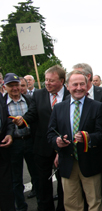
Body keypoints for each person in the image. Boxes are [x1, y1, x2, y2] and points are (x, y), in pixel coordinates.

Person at [13, 65, 69, 211]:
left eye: (51, 80)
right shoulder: (38, 95)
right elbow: (32, 114)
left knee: (65, 182)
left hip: (65, 145)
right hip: (42, 146)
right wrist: (22, 121)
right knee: (43, 183)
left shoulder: (71, 94)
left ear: (62, 81)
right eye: (46, 80)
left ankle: (63, 208)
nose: (47, 83)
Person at [47, 70, 102, 211]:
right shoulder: (59, 108)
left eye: (82, 84)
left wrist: (89, 137)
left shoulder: (97, 106)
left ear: (87, 86)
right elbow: (50, 133)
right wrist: (57, 141)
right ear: (67, 86)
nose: (78, 88)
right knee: (72, 204)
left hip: (90, 162)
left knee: (95, 203)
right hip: (67, 162)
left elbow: (101, 134)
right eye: (75, 84)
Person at [72, 63, 102, 211]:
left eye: (79, 76)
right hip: (81, 153)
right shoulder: (71, 96)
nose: (77, 85)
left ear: (88, 76)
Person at [3, 73, 39, 211]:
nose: (14, 88)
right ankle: (21, 207)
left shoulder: (30, 100)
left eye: (16, 85)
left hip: (30, 141)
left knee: (36, 174)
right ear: (5, 87)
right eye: (11, 86)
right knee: (16, 179)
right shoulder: (2, 103)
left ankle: (41, 203)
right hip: (13, 144)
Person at [0, 86, 15, 211]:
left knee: (6, 188)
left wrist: (9, 133)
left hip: (3, 151)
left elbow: (8, 120)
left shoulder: (0, 98)